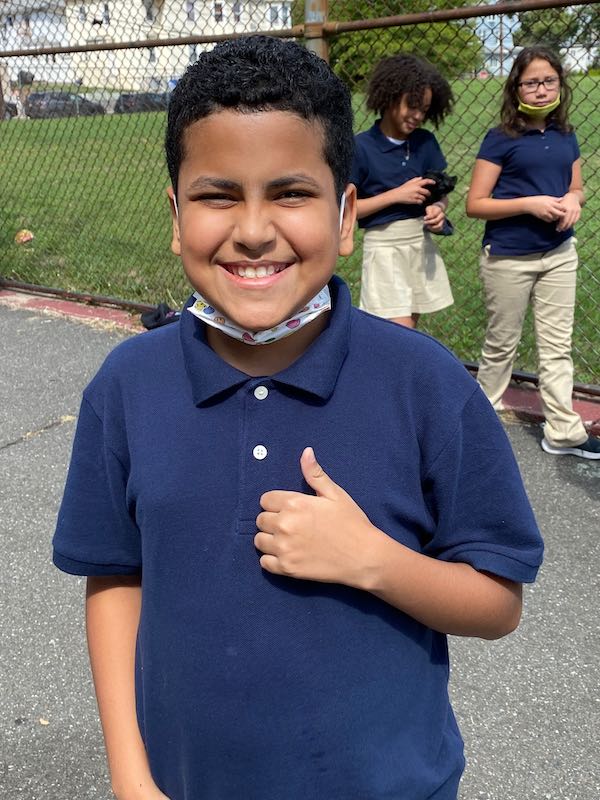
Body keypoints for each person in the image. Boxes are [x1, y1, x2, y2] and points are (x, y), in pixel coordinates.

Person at [53, 36, 543, 800]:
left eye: (289, 193)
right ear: (176, 215)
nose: (253, 229)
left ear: (346, 215)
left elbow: (497, 603)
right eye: (218, 196)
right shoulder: (127, 387)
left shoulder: (426, 385)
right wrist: (130, 774)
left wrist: (372, 560)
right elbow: (115, 576)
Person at [466, 45, 600, 460]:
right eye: (531, 83)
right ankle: (474, 425)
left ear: (560, 84)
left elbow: (576, 187)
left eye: (549, 81)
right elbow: (475, 204)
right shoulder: (500, 139)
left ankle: (563, 432)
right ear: (516, 88)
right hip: (509, 258)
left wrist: (574, 199)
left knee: (557, 347)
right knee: (501, 345)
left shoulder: (566, 135)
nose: (541, 90)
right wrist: (530, 204)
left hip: (559, 254)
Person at [350, 53, 455, 328]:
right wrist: (396, 195)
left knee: (410, 330)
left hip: (420, 244)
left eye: (425, 109)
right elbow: (347, 209)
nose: (418, 116)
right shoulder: (362, 147)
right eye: (412, 106)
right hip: (384, 250)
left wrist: (438, 209)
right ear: (390, 97)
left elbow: (440, 195)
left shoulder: (425, 142)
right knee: (401, 331)